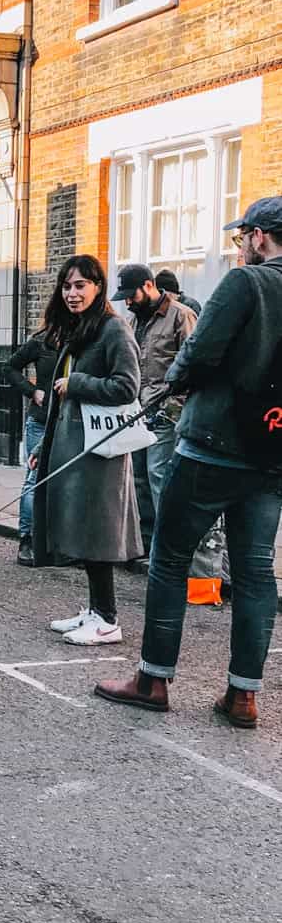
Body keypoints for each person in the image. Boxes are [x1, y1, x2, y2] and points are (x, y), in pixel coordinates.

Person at [97, 198, 282, 727]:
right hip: (272, 454)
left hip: (212, 443)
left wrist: (173, 382)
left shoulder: (247, 284)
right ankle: (243, 695)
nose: (240, 246)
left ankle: (153, 679)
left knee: (170, 557)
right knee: (253, 571)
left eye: (241, 237)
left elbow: (198, 353)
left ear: (260, 238)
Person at [30, 255, 142, 646]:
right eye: (67, 286)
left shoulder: (114, 329)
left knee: (97, 533)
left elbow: (128, 387)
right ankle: (95, 611)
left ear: (98, 287)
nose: (73, 294)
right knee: (81, 528)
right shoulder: (81, 329)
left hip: (100, 452)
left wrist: (77, 382)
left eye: (81, 285)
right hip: (73, 444)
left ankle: (109, 619)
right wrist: (44, 446)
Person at [113, 263, 197, 560]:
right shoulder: (134, 321)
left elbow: (194, 363)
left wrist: (174, 406)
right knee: (138, 480)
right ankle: (145, 544)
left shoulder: (181, 315)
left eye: (130, 294)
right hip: (136, 412)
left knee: (159, 477)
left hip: (166, 413)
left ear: (148, 286)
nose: (127, 301)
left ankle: (167, 552)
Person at [6, 328, 63, 566]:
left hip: (71, 422)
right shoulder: (42, 340)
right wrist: (32, 391)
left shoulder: (87, 339)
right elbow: (9, 368)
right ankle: (26, 540)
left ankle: (57, 543)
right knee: (35, 479)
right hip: (41, 420)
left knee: (64, 481)